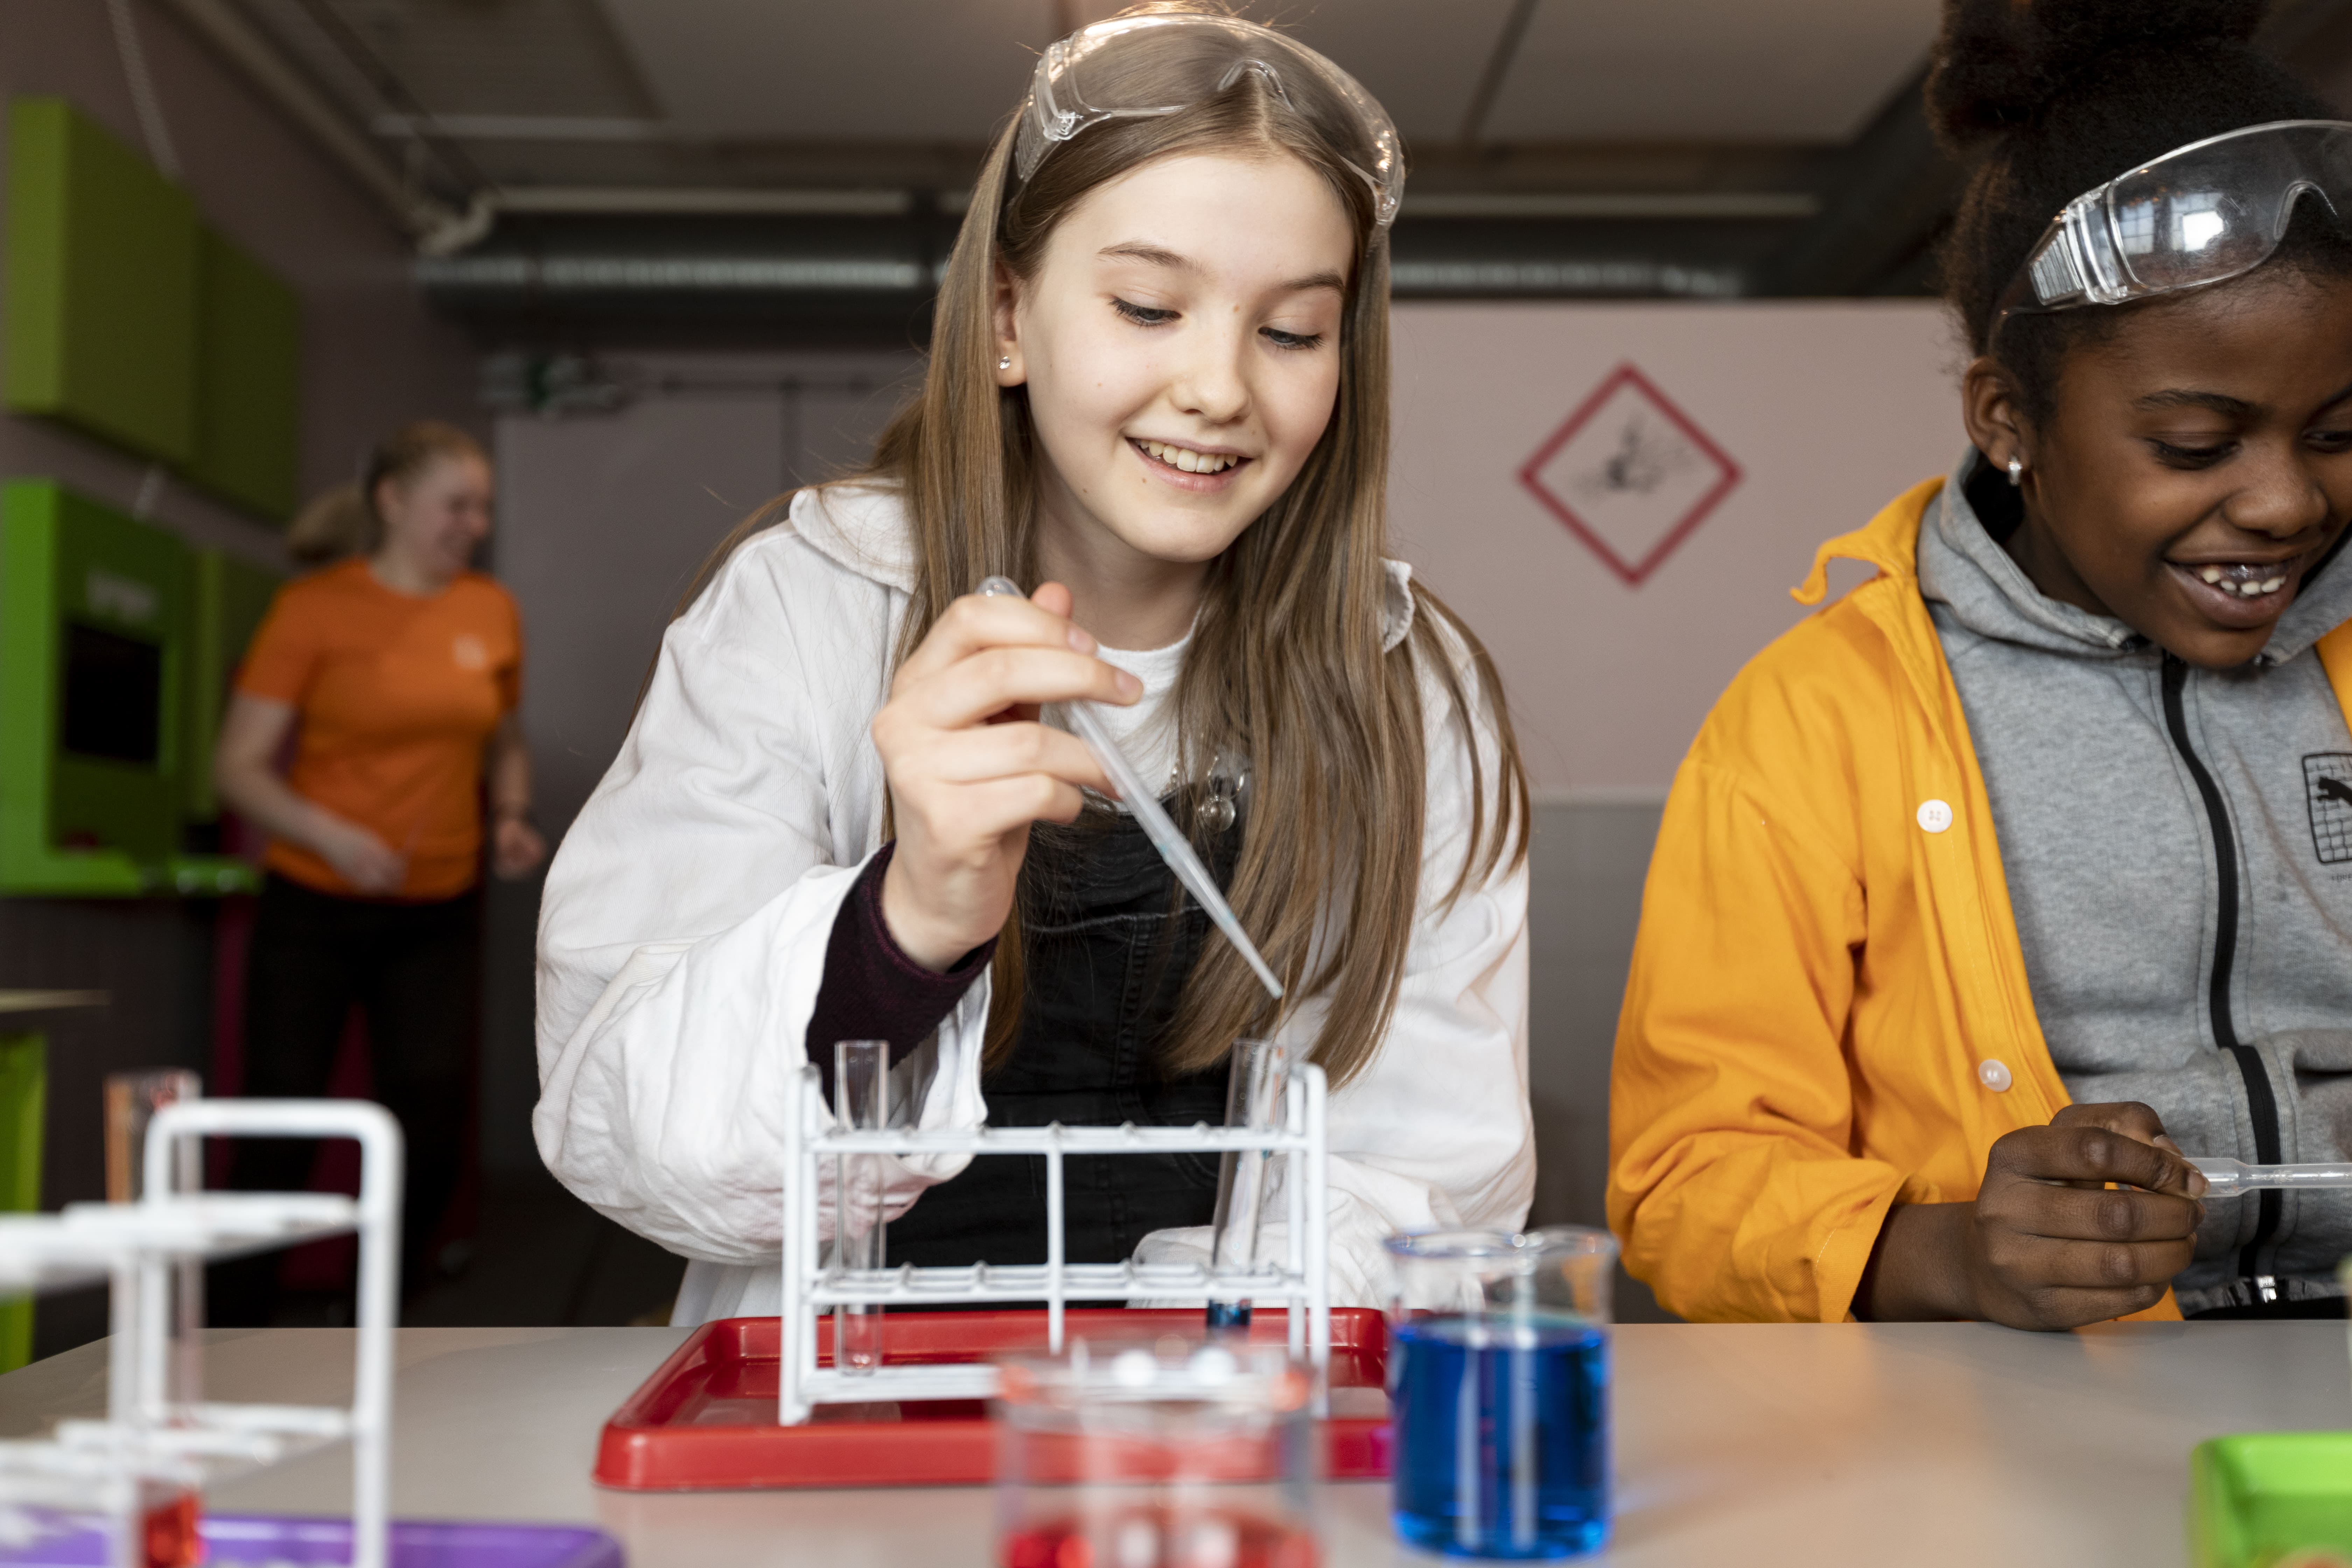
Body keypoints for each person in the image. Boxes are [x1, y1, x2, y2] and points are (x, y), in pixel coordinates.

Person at [536, 5, 1533, 1323]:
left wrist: (1163, 1384)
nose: (1219, 386)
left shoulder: (1412, 688)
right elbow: (621, 1134)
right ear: (1008, 317)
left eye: (1291, 331)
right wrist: (906, 926)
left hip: (1218, 1470)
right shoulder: (802, 607)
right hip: (845, 1460)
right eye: (1146, 305)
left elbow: (1427, 1175)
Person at [1609, 0, 2352, 1330]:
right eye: (2195, 444)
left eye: (2341, 433)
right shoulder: (1811, 722)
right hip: (2031, 1406)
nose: (2287, 503)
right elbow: (1684, 1183)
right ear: (2010, 419)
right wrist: (1945, 1256)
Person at [214, 420, 547, 1320]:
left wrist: (511, 814)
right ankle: (233, 1323)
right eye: (456, 504)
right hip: (315, 903)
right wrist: (333, 836)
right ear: (394, 503)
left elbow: (505, 742)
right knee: (280, 1120)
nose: (474, 523)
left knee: (428, 1125)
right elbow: (236, 765)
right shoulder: (316, 609)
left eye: (482, 507)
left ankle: (380, 1318)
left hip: (437, 907)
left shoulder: (488, 609)